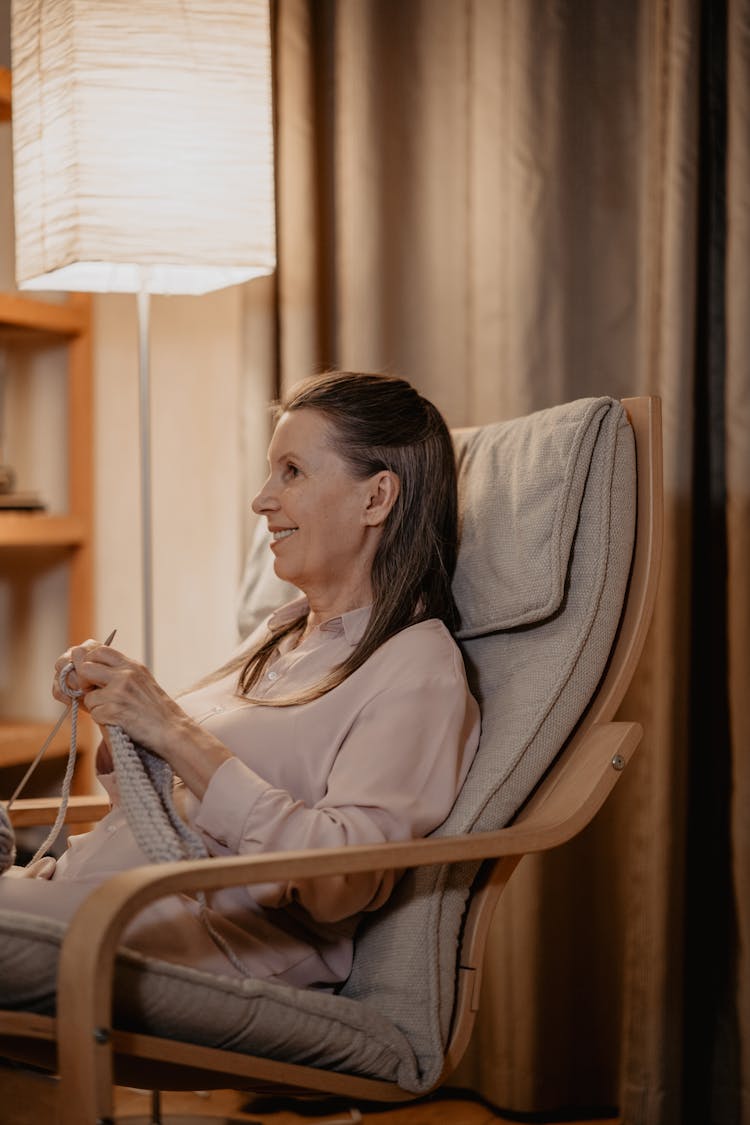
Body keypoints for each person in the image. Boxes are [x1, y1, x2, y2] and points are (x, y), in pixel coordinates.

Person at [0, 371, 480, 992]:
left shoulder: (415, 668)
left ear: (376, 498)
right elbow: (167, 817)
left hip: (198, 941)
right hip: (90, 894)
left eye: (292, 472)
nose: (261, 500)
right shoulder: (280, 636)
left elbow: (340, 885)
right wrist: (120, 717)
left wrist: (173, 731)